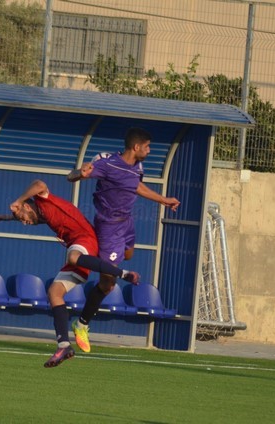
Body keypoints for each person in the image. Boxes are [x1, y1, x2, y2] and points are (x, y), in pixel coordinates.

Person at [0, 179, 139, 367]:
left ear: (27, 206)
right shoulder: (41, 215)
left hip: (85, 240)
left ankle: (123, 273)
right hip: (78, 247)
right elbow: (32, 216)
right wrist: (4, 217)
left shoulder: (43, 200)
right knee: (54, 292)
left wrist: (18, 200)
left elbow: (39, 183)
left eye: (23, 217)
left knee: (74, 257)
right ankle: (64, 345)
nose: (25, 223)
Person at [67, 127, 181, 353]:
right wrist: (80, 172)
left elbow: (136, 186)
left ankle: (103, 256)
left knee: (128, 255)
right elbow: (71, 177)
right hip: (109, 227)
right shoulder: (107, 163)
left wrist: (164, 200)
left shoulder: (137, 166)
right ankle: (81, 324)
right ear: (136, 147)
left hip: (127, 222)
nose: (149, 151)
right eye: (147, 147)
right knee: (108, 285)